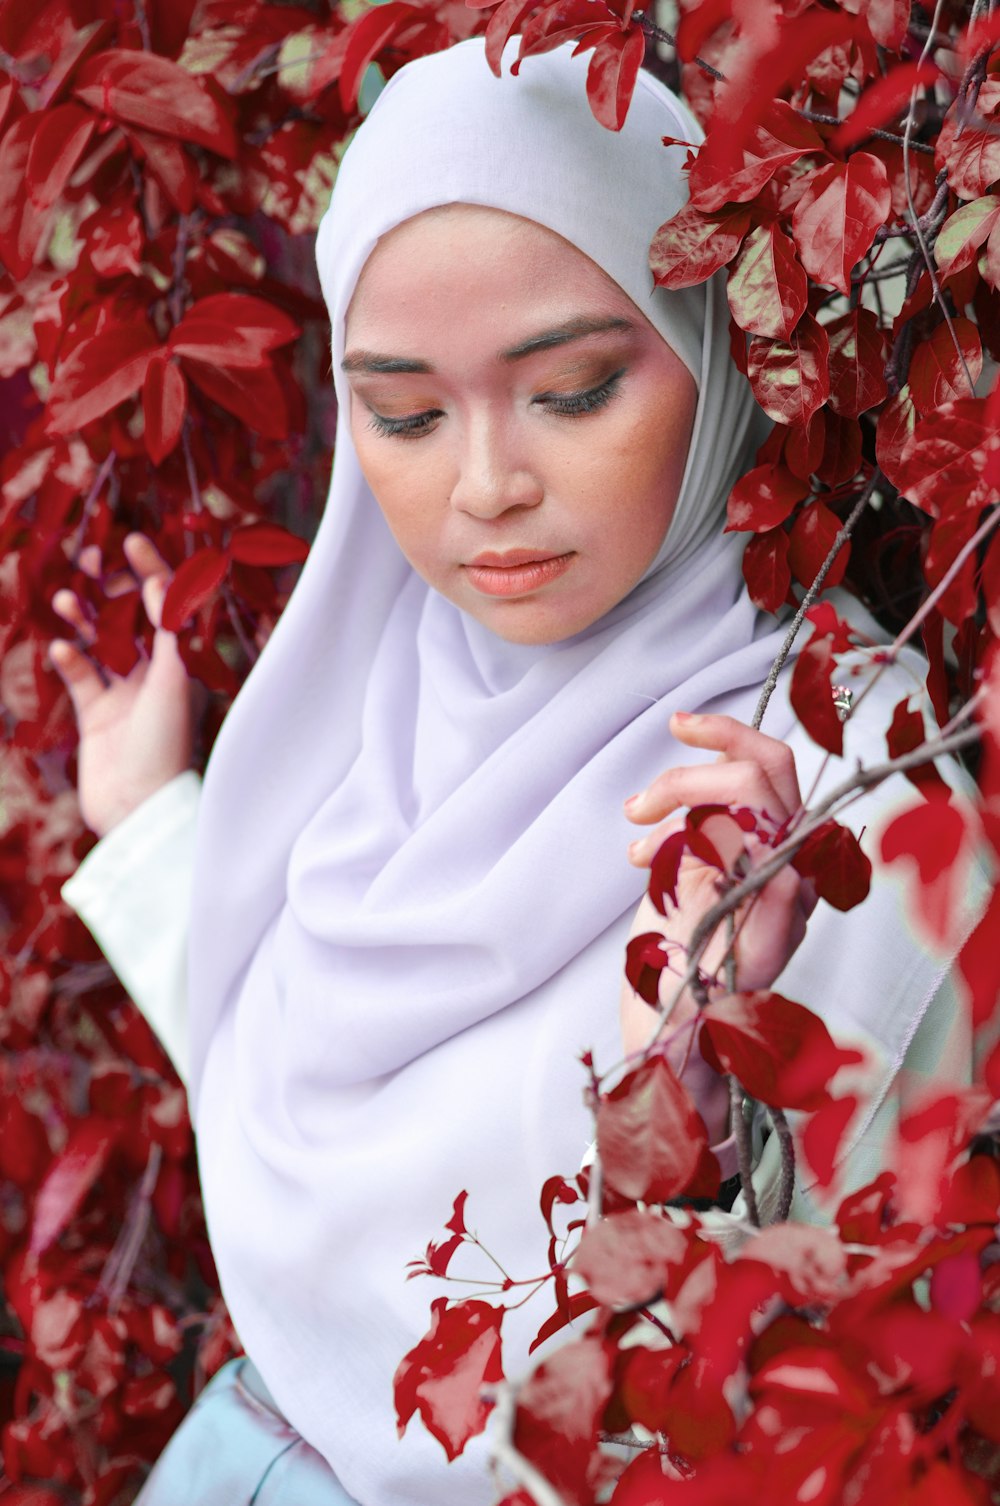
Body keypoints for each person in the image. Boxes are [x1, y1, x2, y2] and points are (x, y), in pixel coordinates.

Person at [48, 34, 981, 1506]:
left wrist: (700, 1056)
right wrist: (159, 829)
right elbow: (323, 1115)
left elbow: (863, 1357)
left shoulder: (848, 784)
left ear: (710, 349)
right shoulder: (386, 681)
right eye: (405, 416)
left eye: (574, 390)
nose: (484, 486)